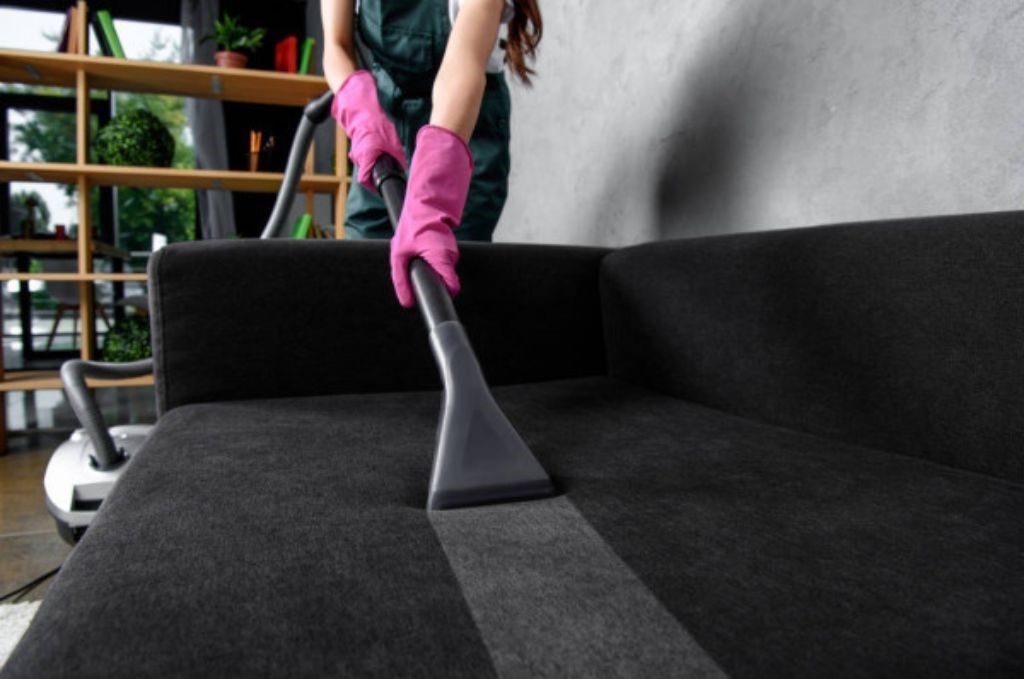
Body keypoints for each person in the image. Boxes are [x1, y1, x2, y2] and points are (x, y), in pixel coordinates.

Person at [321, 0, 541, 307]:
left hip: (464, 125)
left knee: (447, 284)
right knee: (365, 272)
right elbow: (335, 44)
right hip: (384, 119)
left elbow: (463, 63)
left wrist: (432, 197)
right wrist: (358, 107)